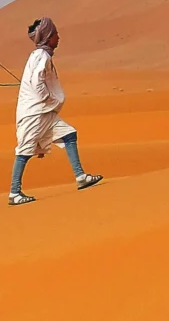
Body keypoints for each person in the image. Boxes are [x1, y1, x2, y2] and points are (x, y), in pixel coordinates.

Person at [9, 17, 102, 205]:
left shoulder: (40, 56)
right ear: (48, 37)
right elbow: (37, 83)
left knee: (69, 134)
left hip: (44, 112)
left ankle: (80, 176)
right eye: (55, 34)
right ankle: (14, 192)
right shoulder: (41, 57)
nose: (58, 37)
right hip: (35, 112)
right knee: (24, 151)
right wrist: (48, 99)